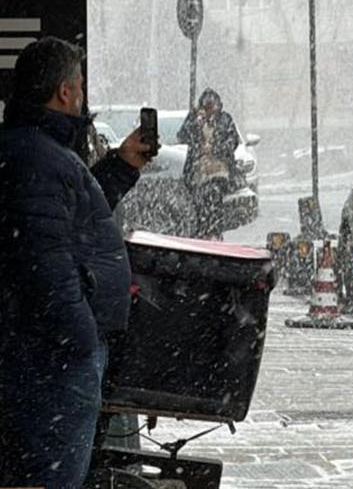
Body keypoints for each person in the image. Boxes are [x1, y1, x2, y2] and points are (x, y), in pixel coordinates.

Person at [0, 37, 153, 488]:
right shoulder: (38, 158)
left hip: (45, 350)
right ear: (64, 91)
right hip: (51, 357)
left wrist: (121, 165)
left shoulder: (39, 152)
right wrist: (82, 338)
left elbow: (68, 219)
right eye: (80, 85)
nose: (83, 96)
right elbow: (43, 261)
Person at [177, 88, 239, 240]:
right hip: (198, 168)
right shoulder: (195, 119)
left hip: (219, 167)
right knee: (198, 199)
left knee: (212, 194)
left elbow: (233, 141)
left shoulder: (225, 119)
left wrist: (216, 148)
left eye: (212, 105)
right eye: (206, 106)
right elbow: (182, 136)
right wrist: (195, 123)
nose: (210, 110)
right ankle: (203, 229)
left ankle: (213, 229)